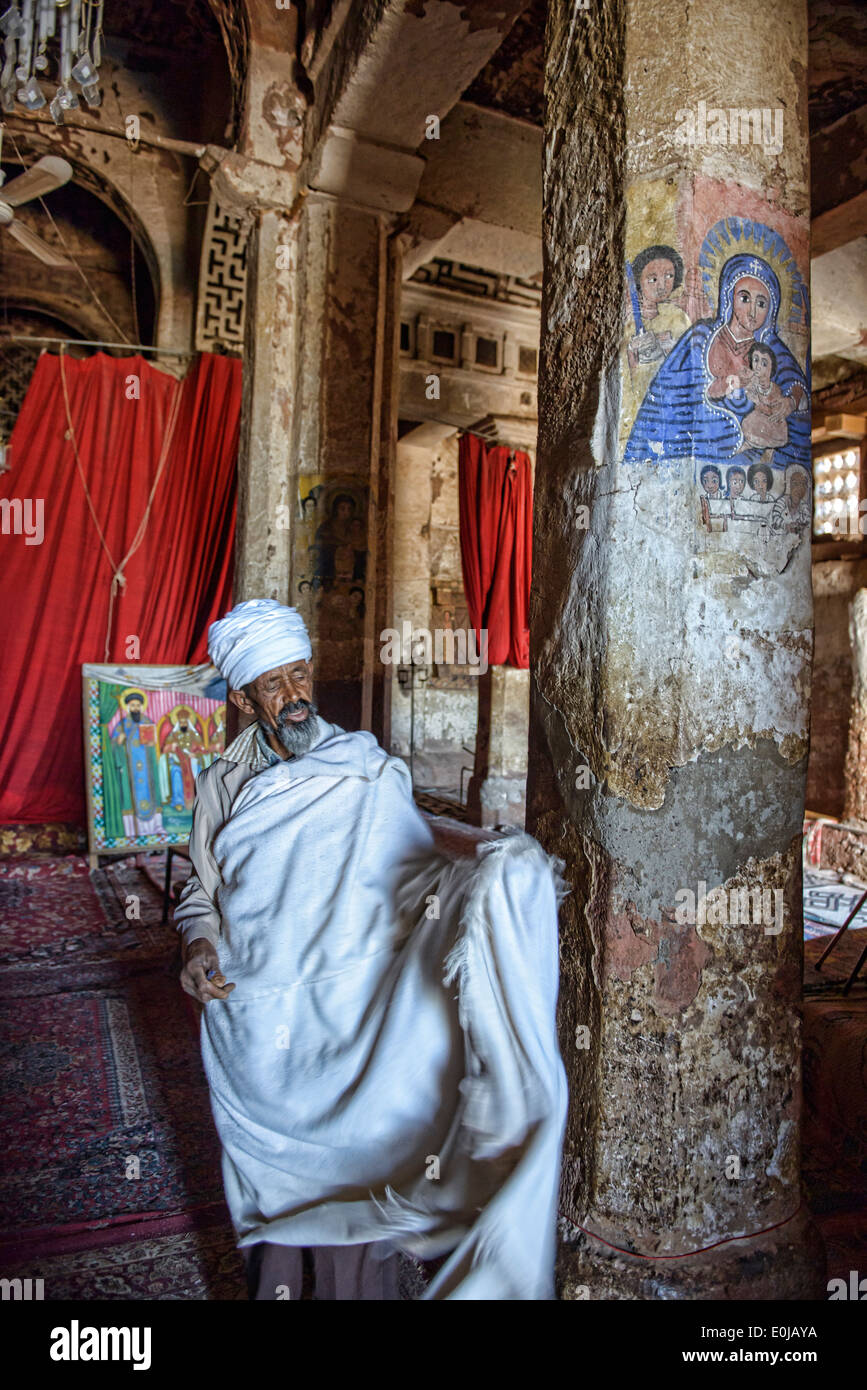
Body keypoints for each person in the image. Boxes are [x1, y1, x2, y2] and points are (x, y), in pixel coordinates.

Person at [174, 598, 567, 1301]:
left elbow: (410, 866)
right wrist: (199, 943)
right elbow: (202, 892)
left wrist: (496, 876)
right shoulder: (220, 785)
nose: (293, 698)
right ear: (241, 697)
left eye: (299, 677)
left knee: (367, 1158)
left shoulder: (362, 766)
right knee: (282, 1190)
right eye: (273, 685)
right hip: (264, 1016)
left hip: (359, 1010)